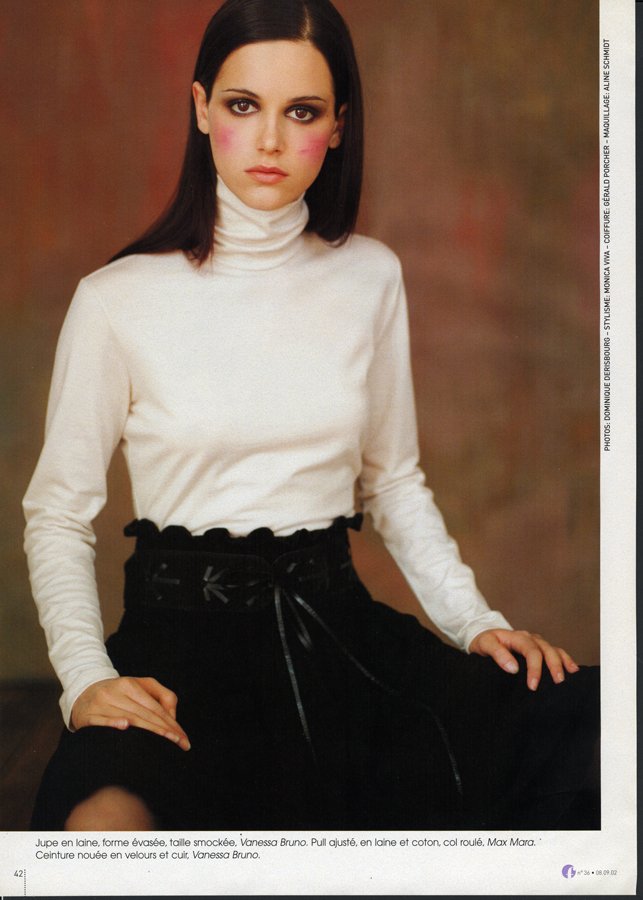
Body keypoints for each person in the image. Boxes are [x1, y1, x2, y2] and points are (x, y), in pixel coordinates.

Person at [24, 0, 598, 832]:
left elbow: (392, 482)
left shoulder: (370, 276)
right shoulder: (116, 300)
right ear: (200, 108)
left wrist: (475, 622)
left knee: (590, 728)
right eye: (242, 105)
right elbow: (56, 515)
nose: (268, 140)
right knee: (101, 831)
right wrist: (85, 679)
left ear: (336, 127)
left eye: (300, 112)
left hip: (341, 639)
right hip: (175, 655)